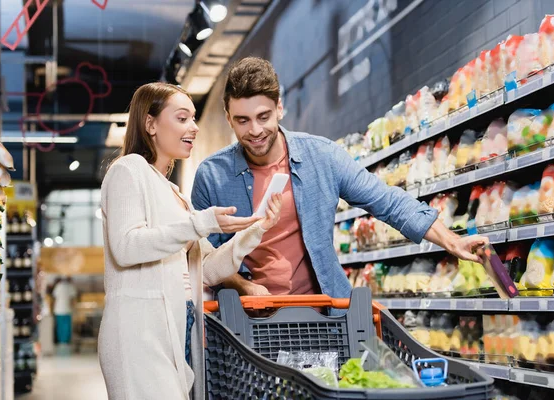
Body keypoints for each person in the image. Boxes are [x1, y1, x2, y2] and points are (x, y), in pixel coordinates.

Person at [191, 57, 488, 307]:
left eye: (263, 116)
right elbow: (202, 256)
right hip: (247, 320)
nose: (255, 130)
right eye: (243, 120)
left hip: (323, 312)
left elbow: (387, 201)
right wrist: (244, 286)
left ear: (279, 108)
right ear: (229, 118)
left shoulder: (322, 156)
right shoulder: (212, 176)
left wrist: (453, 240)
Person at [98, 82, 282, 400]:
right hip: (137, 333)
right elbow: (126, 247)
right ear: (151, 124)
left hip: (176, 329)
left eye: (194, 118)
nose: (194, 128)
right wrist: (200, 223)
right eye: (182, 118)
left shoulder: (173, 193)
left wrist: (257, 229)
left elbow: (208, 270)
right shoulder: (128, 171)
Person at [52, 276, 77, 345]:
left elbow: (54, 298)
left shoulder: (58, 286)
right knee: (66, 326)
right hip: (67, 309)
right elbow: (73, 300)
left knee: (60, 326)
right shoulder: (70, 286)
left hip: (58, 310)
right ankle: (65, 341)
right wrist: (74, 308)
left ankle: (61, 341)